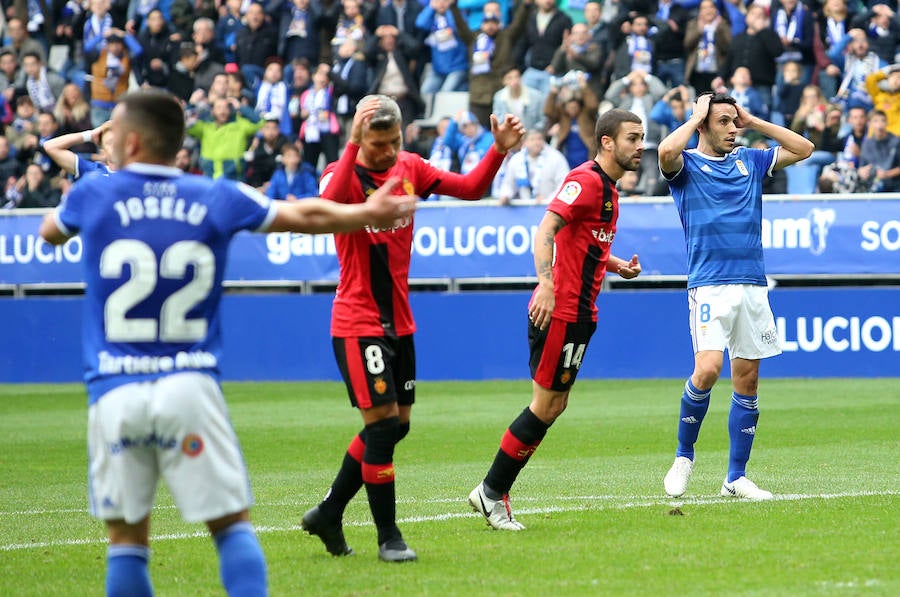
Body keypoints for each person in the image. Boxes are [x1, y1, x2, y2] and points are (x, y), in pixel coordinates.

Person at [37, 88, 415, 596]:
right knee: (231, 528)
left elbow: (48, 232)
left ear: (127, 141)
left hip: (115, 393)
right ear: (178, 145)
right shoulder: (217, 195)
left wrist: (95, 152)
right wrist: (368, 211)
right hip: (190, 387)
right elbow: (306, 217)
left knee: (126, 542)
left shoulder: (93, 193)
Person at [301, 94, 524, 560]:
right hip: (357, 320)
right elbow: (325, 209)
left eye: (393, 141)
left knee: (397, 425)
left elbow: (470, 188)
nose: (386, 151)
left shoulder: (410, 166)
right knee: (381, 426)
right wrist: (349, 147)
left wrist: (498, 150)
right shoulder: (342, 175)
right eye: (376, 143)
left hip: (399, 322)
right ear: (360, 137)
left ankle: (329, 512)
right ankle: (389, 538)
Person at [468, 108, 645, 531]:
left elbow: (582, 242)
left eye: (641, 139)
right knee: (545, 405)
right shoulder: (584, 181)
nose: (641, 147)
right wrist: (546, 284)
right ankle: (491, 493)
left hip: (579, 313)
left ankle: (492, 491)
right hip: (562, 311)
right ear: (607, 142)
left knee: (554, 405)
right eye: (633, 138)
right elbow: (546, 228)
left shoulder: (608, 189)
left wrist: (615, 264)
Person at [657, 92, 813, 501]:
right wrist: (694, 118)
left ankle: (736, 477)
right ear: (704, 126)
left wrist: (753, 120)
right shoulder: (686, 165)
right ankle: (684, 456)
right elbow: (666, 149)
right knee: (707, 369)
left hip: (752, 283)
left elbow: (804, 148)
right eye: (723, 122)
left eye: (733, 121)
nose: (731, 129)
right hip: (709, 283)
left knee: (747, 379)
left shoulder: (751, 160)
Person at [41, 119, 114, 179]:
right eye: (110, 142)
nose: (116, 145)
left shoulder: (125, 174)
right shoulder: (95, 172)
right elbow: (50, 146)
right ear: (103, 152)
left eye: (120, 141)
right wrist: (90, 135)